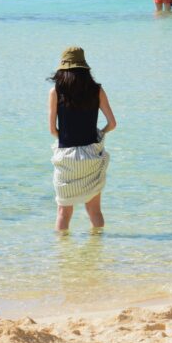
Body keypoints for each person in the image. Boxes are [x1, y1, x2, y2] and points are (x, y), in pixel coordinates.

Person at [48, 46, 116, 231]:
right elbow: (112, 124)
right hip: (91, 156)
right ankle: (97, 249)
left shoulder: (56, 92)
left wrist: (66, 137)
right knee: (94, 211)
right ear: (85, 67)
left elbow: (52, 130)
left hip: (67, 157)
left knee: (63, 212)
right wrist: (99, 134)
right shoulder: (97, 90)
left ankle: (62, 255)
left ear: (63, 67)